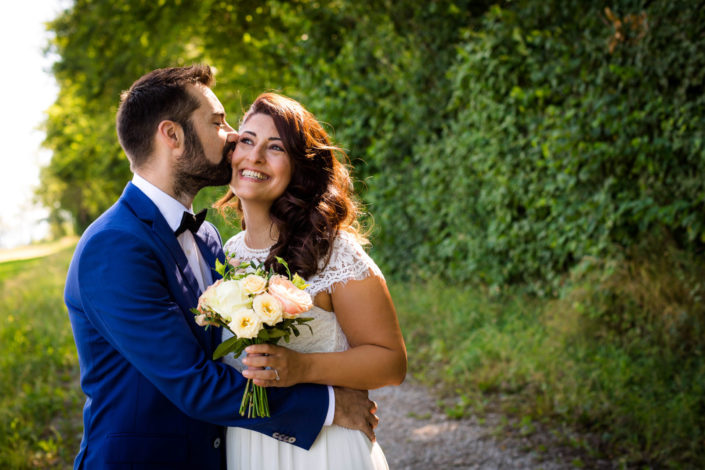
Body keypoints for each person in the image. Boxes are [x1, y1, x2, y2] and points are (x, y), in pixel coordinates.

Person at [64, 65, 377, 470]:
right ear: (172, 136)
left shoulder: (209, 238)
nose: (232, 134)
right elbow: (194, 384)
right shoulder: (114, 246)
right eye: (217, 121)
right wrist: (330, 406)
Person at [214, 92, 407, 470]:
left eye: (276, 148)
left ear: (299, 168)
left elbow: (391, 362)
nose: (254, 157)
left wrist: (302, 369)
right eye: (248, 141)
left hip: (324, 452)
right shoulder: (228, 254)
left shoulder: (334, 252)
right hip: (247, 448)